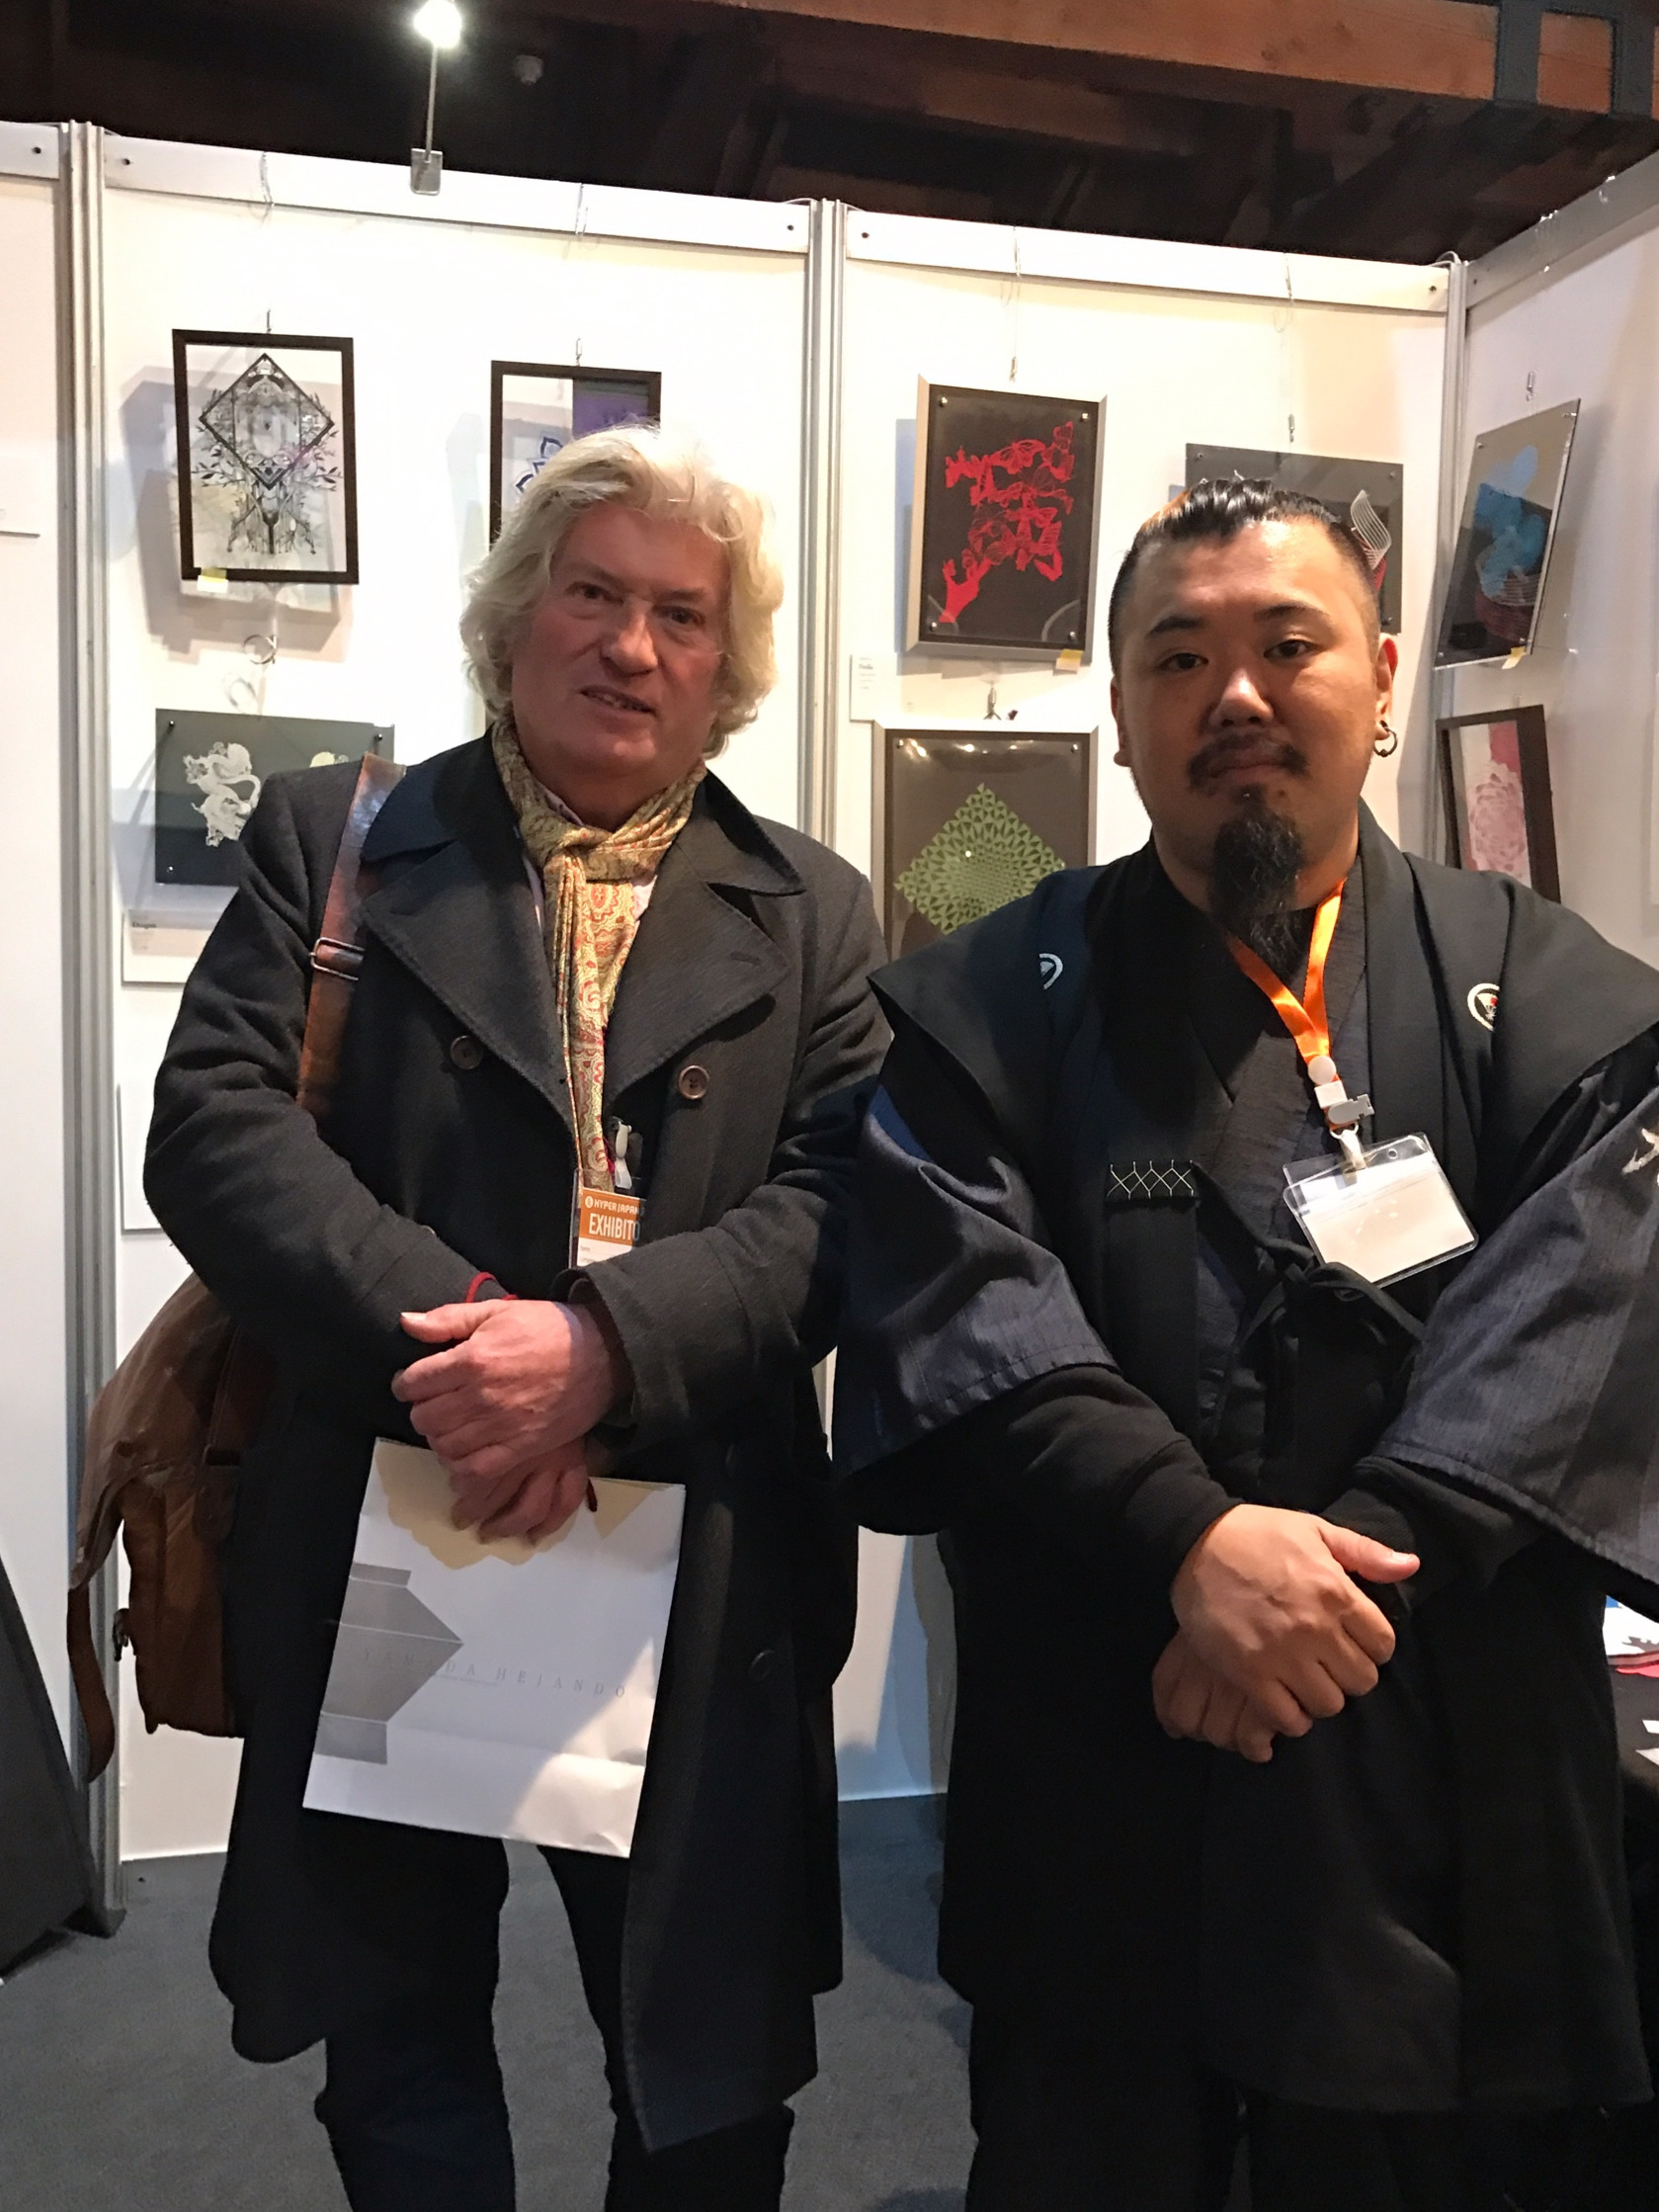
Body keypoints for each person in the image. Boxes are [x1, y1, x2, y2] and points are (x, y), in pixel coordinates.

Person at [833, 479, 1659, 2210]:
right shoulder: (990, 1001)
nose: (1237, 696)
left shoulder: (1541, 988)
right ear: (1122, 710)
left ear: (1382, 676)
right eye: (1179, 657)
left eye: (1290, 646)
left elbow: (1588, 1301)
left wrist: (1341, 1572)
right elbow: (963, 1298)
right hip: (1107, 1719)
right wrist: (1191, 1540)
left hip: (1417, 1747)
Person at [144, 427, 886, 2212]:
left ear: (728, 665)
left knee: (706, 2074)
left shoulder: (818, 913)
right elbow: (217, 1129)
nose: (632, 644)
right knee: (397, 2041)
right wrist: (483, 1347)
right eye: (593, 593)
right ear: (511, 618)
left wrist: (606, 1358)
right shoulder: (338, 839)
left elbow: (849, 1207)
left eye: (682, 615)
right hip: (404, 1513)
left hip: (696, 1562)